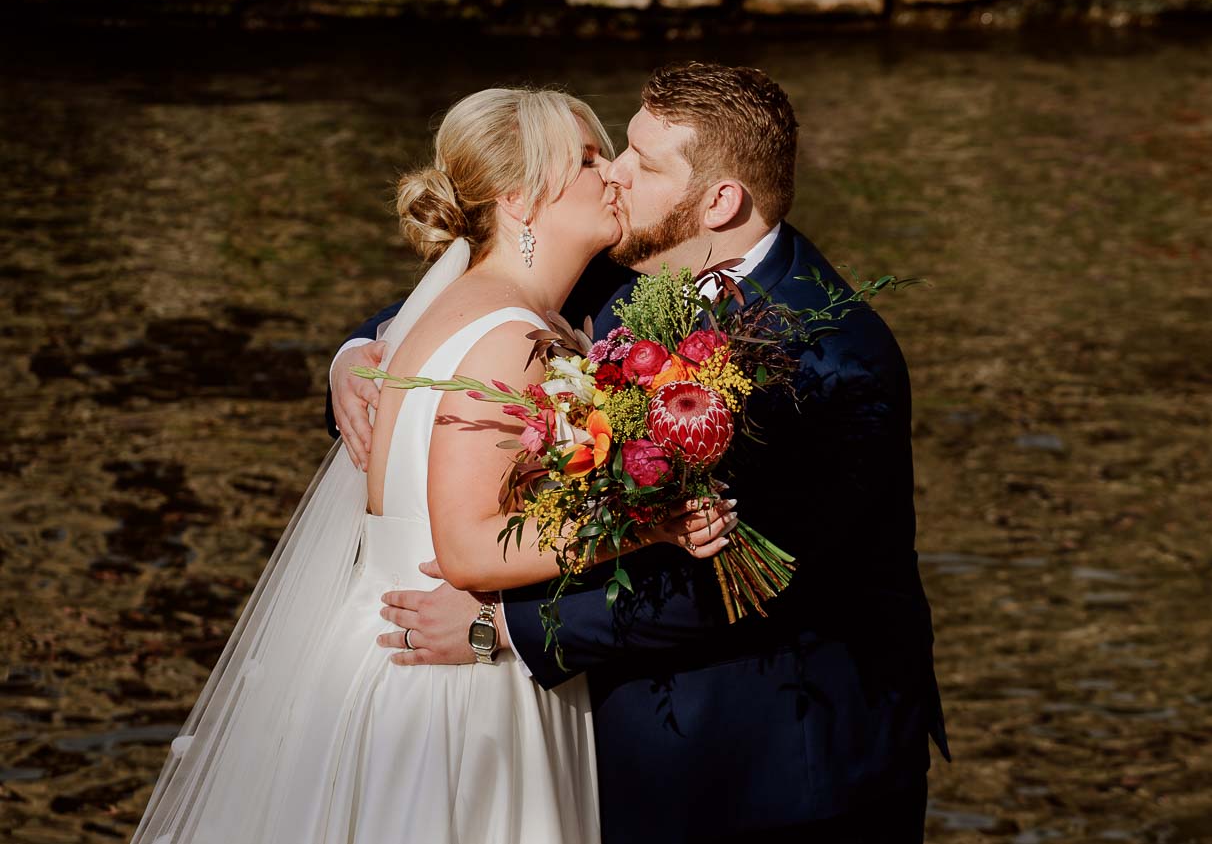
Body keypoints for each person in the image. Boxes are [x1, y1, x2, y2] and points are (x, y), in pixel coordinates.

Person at [332, 63, 949, 844]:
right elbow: (474, 291)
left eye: (642, 162)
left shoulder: (834, 358)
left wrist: (505, 631)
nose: (615, 175)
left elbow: (738, 585)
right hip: (635, 752)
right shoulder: (617, 269)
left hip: (792, 768)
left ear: (718, 202)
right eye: (618, 148)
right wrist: (355, 355)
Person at [133, 87, 734, 844]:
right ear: (519, 198)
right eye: (586, 158)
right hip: (453, 687)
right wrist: (649, 527)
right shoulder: (511, 337)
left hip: (415, 657)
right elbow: (466, 547)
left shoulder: (488, 311)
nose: (611, 171)